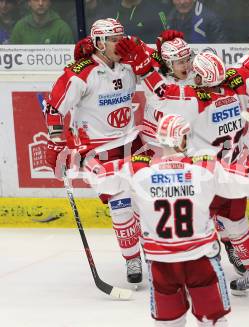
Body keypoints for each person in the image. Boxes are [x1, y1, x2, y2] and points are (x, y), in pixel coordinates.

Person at [126, 0, 249, 295]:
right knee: (237, 223)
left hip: (208, 175)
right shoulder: (235, 85)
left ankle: (202, 275)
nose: (188, 67)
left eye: (191, 62)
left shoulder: (190, 98)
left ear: (202, 76)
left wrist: (142, 67)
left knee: (199, 226)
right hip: (240, 171)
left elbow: (160, 92)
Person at [88, 113, 249, 326]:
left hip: (161, 264)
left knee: (168, 323)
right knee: (212, 320)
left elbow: (99, 178)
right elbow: (248, 181)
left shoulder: (138, 169)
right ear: (182, 139)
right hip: (200, 259)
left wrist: (84, 157)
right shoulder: (204, 167)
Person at [43, 18, 152, 284]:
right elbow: (54, 107)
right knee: (121, 205)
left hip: (133, 142)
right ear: (99, 43)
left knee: (148, 200)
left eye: (121, 37)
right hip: (97, 149)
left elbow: (160, 71)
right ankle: (132, 259)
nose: (120, 43)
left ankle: (154, 251)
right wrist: (56, 142)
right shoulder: (81, 73)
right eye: (113, 39)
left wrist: (144, 51)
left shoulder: (128, 64)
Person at [105, 0, 171, 43]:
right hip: (115, 61)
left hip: (146, 59)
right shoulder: (107, 12)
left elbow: (164, 43)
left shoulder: (157, 11)